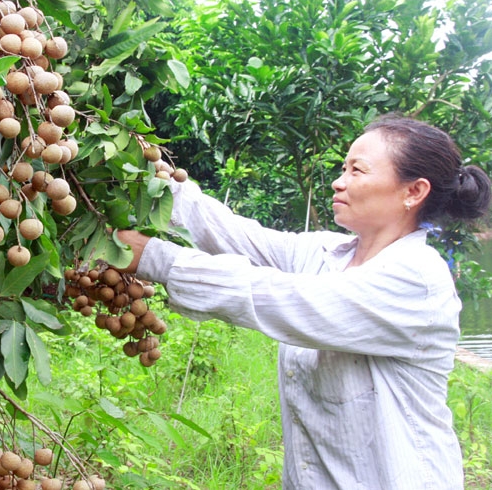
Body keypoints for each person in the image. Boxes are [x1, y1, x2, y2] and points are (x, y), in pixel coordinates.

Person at [117, 115, 492, 489]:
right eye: (343, 167)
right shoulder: (326, 253)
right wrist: (148, 168)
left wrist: (156, 258)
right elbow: (237, 235)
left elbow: (281, 298)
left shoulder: (417, 279)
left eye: (357, 171)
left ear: (413, 191)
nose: (338, 181)